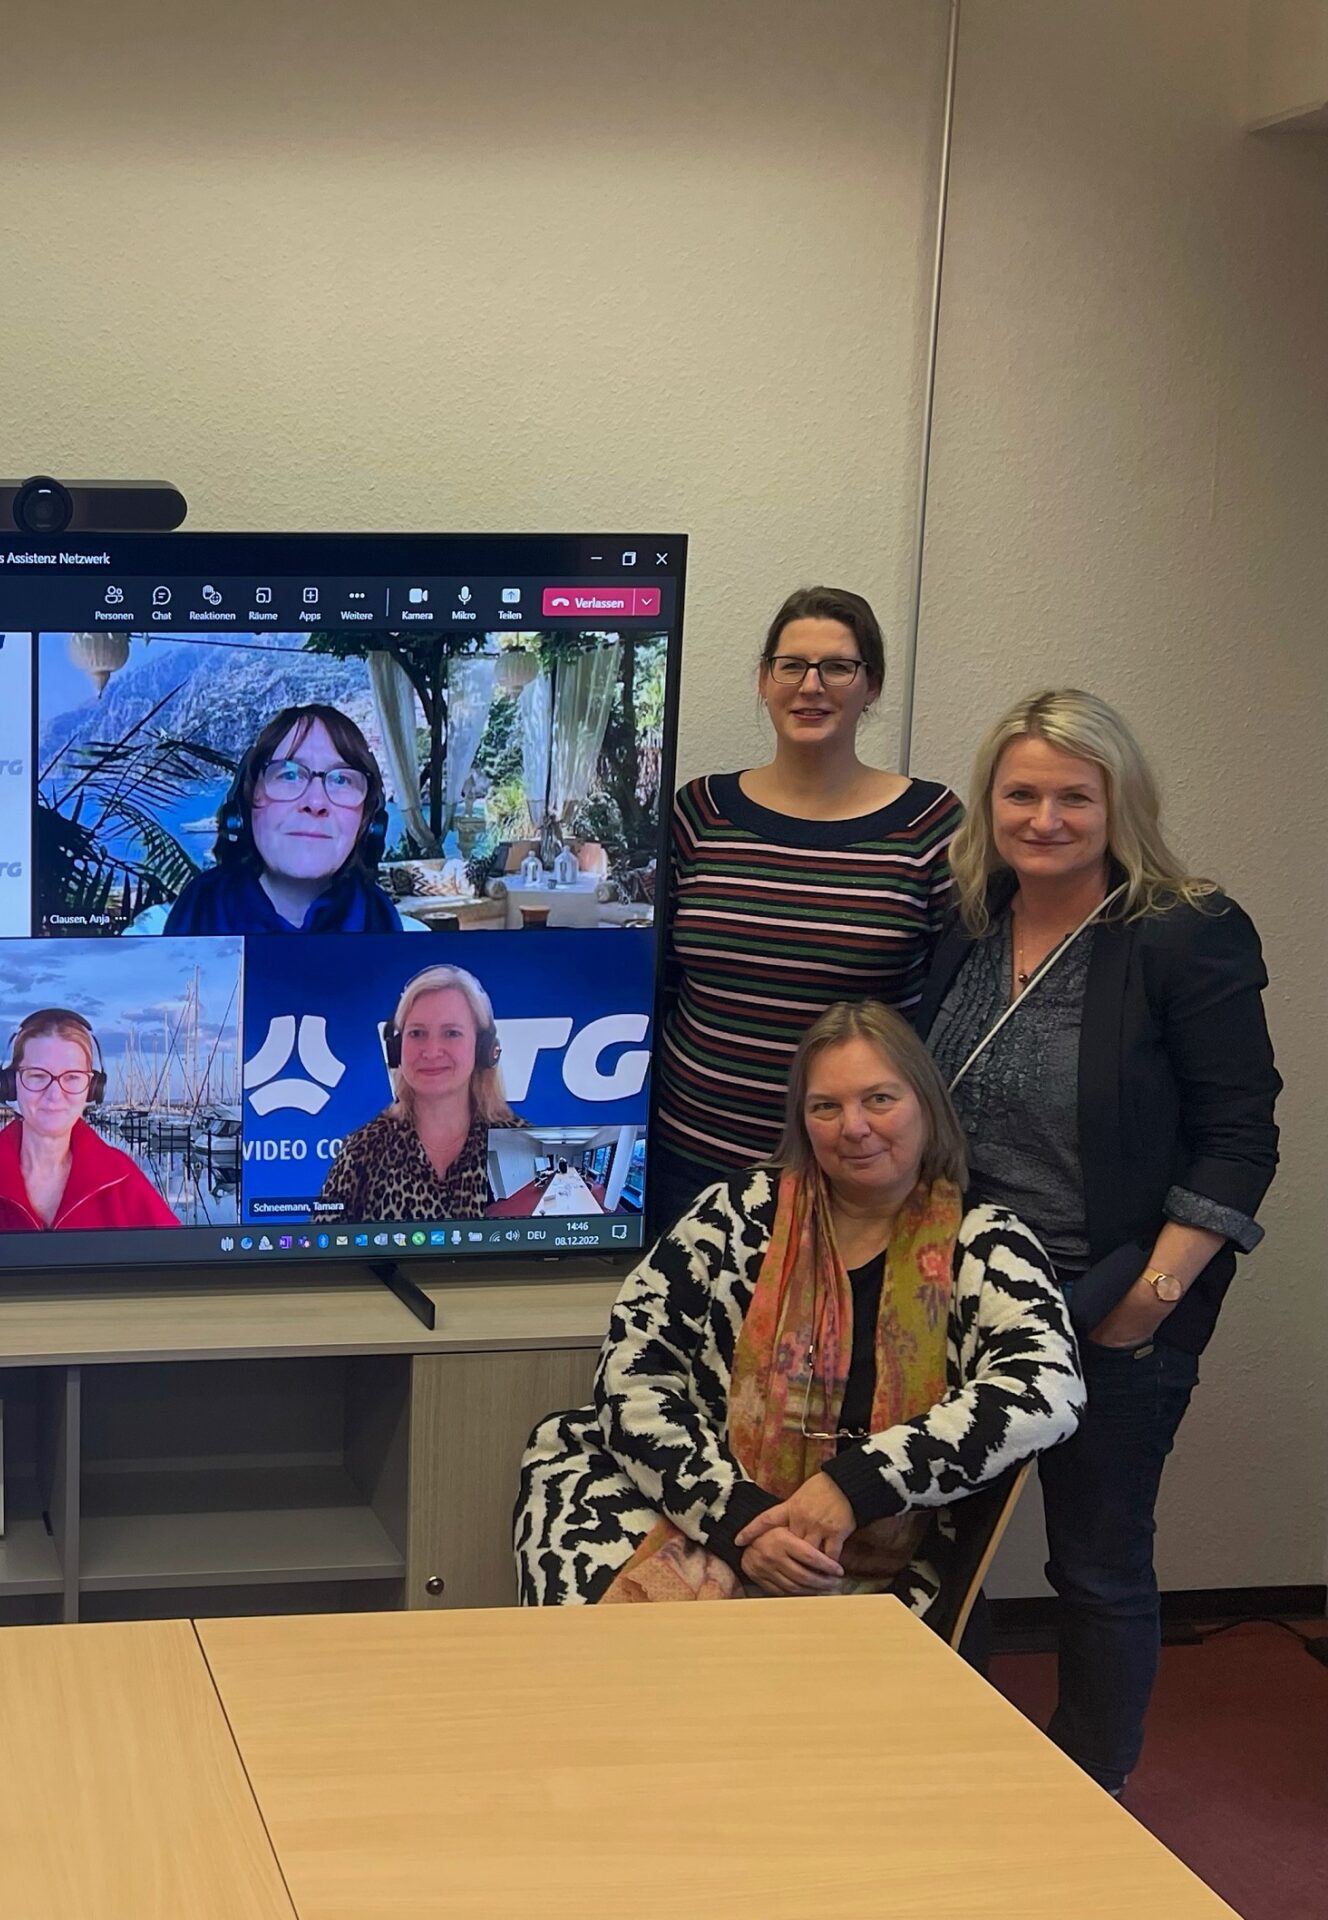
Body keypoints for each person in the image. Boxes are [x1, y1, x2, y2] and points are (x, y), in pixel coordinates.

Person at [921, 690, 1277, 1794]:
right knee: (942, 1553)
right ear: (990, 803)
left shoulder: (1184, 929)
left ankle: (1090, 1796)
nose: (1045, 817)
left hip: (1111, 1302)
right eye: (1021, 792)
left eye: (1073, 795)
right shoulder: (967, 915)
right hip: (962, 1299)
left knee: (1096, 1562)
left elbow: (1238, 1136)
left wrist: (1149, 1300)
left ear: (1118, 802)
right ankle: (937, 1765)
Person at [516, 1002, 1082, 1616]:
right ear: (803, 1121)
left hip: (872, 1546)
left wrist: (856, 1485)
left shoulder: (985, 1243)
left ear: (927, 1104)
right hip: (697, 1508)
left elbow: (1045, 1388)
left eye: (880, 1100)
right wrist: (740, 1522)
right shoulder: (733, 1214)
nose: (854, 1127)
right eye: (826, 1107)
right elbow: (632, 1372)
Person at [649, 587, 961, 1230]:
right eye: (791, 665)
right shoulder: (699, 811)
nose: (811, 685)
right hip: (693, 1164)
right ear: (764, 680)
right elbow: (662, 982)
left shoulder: (931, 824)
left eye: (838, 667)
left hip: (854, 1175)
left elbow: (951, 1009)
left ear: (870, 685)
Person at [144, 703, 423, 935]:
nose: (315, 802)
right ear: (243, 808)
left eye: (342, 779)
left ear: (369, 823)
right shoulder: (168, 924)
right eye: (288, 774)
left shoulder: (399, 931)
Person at [0, 1009, 178, 1233]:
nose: (54, 1094)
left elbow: (178, 1272)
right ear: (10, 1085)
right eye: (37, 1075)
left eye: (72, 1077)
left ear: (92, 1089)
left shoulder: (123, 1179)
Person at [319, 965, 517, 1223]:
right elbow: (322, 1251)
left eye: (452, 1033)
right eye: (417, 1034)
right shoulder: (361, 1150)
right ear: (396, 1048)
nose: (432, 1051)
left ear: (483, 1048)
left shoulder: (520, 1147)